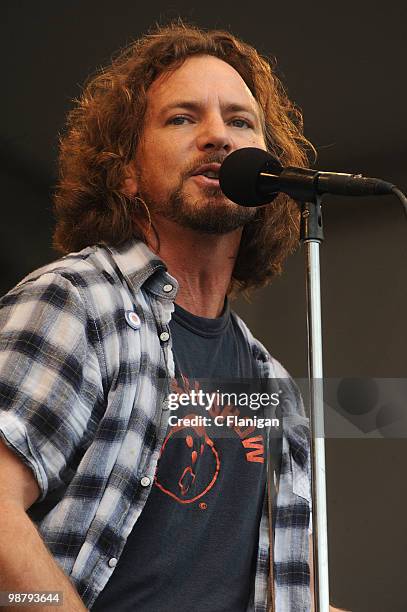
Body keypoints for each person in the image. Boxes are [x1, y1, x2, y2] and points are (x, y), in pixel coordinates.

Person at [0, 21, 345, 612]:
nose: (218, 136)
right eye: (183, 118)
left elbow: (289, 595)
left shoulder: (274, 390)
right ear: (125, 170)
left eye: (240, 121)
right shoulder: (80, 302)